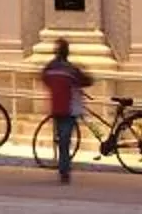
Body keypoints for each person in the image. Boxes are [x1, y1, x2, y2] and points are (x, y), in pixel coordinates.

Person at [40, 36, 92, 183]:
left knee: (62, 139)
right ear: (67, 52)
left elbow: (44, 77)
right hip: (69, 108)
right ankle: (64, 170)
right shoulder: (70, 69)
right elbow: (84, 80)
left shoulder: (50, 67)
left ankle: (64, 169)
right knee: (65, 140)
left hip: (57, 106)